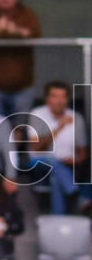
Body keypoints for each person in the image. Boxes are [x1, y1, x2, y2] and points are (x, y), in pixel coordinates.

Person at [28, 81, 90, 215]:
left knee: (56, 178)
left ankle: (58, 217)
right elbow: (36, 147)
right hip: (39, 163)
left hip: (66, 165)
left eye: (63, 97)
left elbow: (83, 153)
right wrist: (59, 127)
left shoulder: (76, 117)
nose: (59, 101)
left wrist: (76, 161)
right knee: (54, 163)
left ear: (68, 99)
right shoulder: (37, 114)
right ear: (47, 99)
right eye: (55, 96)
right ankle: (76, 194)